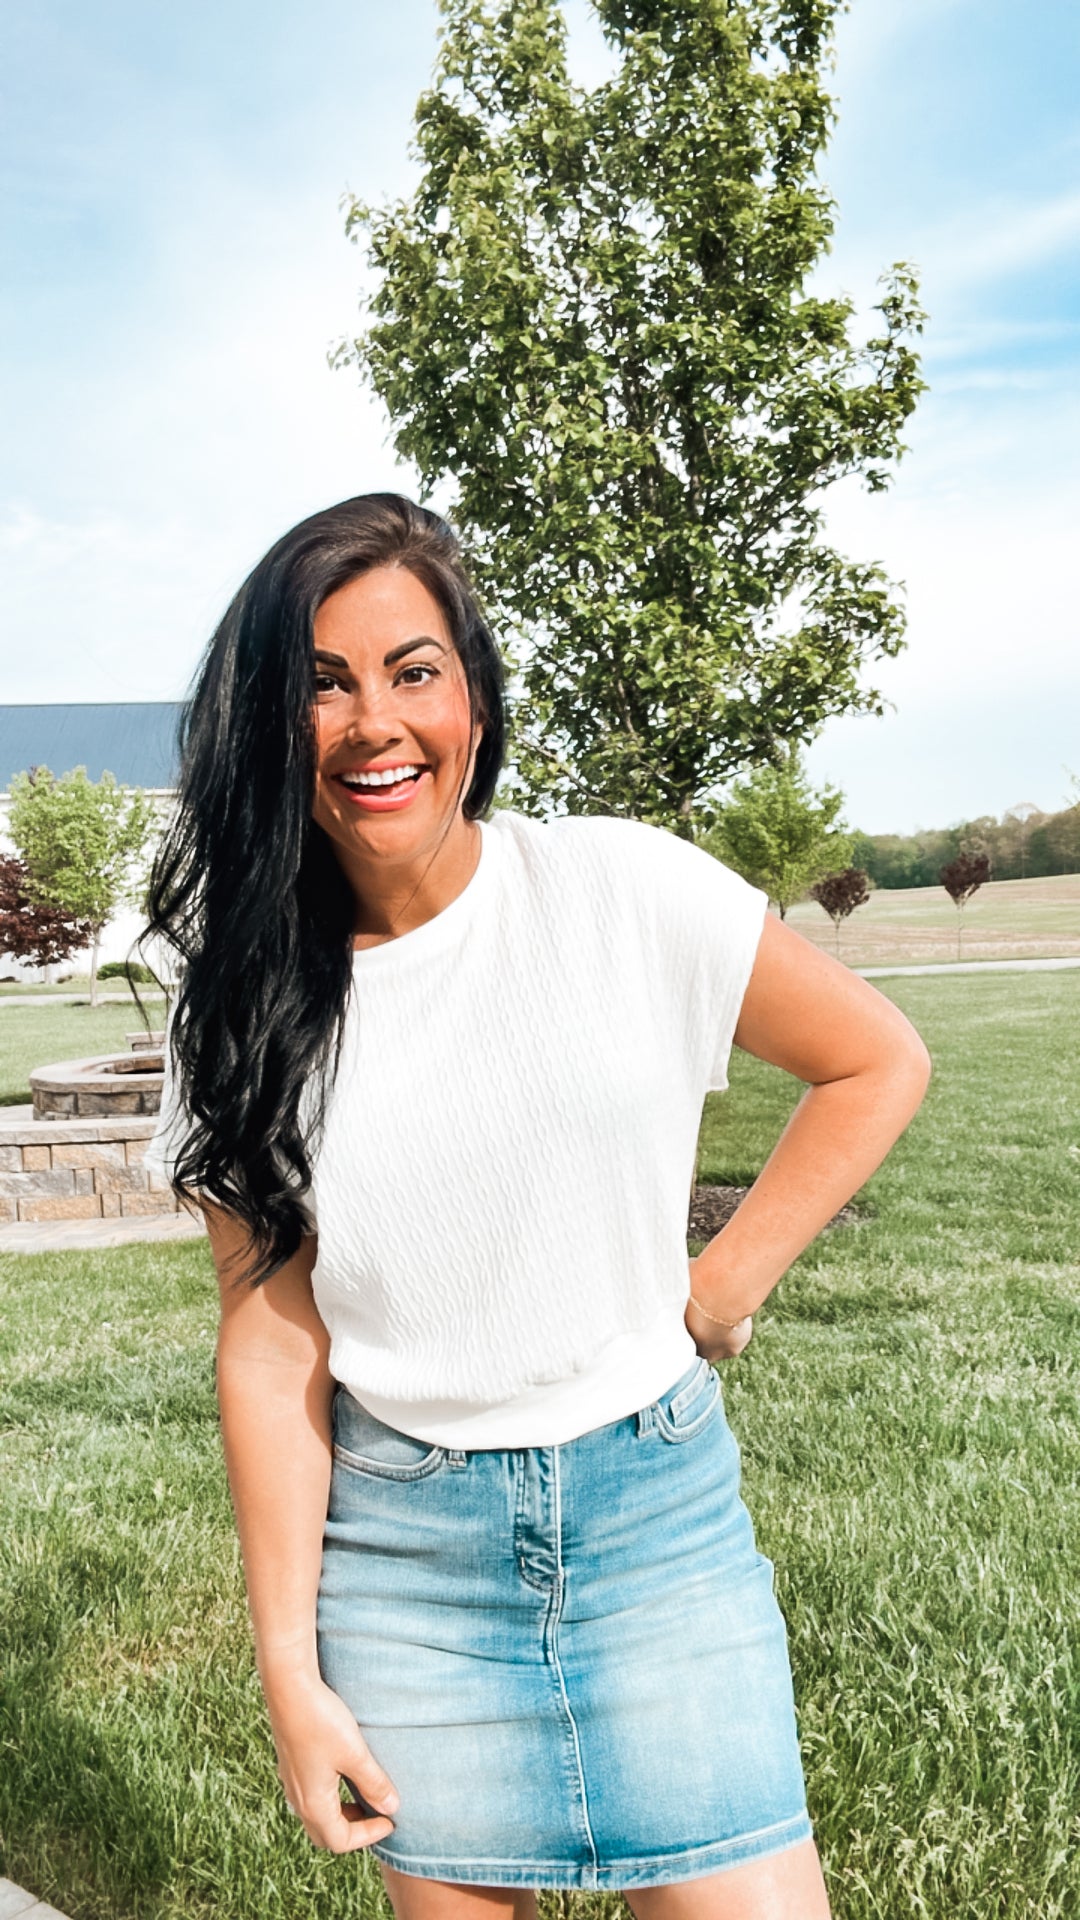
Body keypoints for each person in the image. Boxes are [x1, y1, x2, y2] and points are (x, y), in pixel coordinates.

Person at [141, 491, 931, 1920]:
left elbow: (875, 1060)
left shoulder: (618, 889)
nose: (372, 721)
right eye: (322, 683)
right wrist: (289, 1673)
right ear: (272, 726)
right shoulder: (244, 1013)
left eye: (412, 670)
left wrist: (718, 1290)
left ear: (476, 703)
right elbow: (270, 1348)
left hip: (658, 1537)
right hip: (407, 1572)